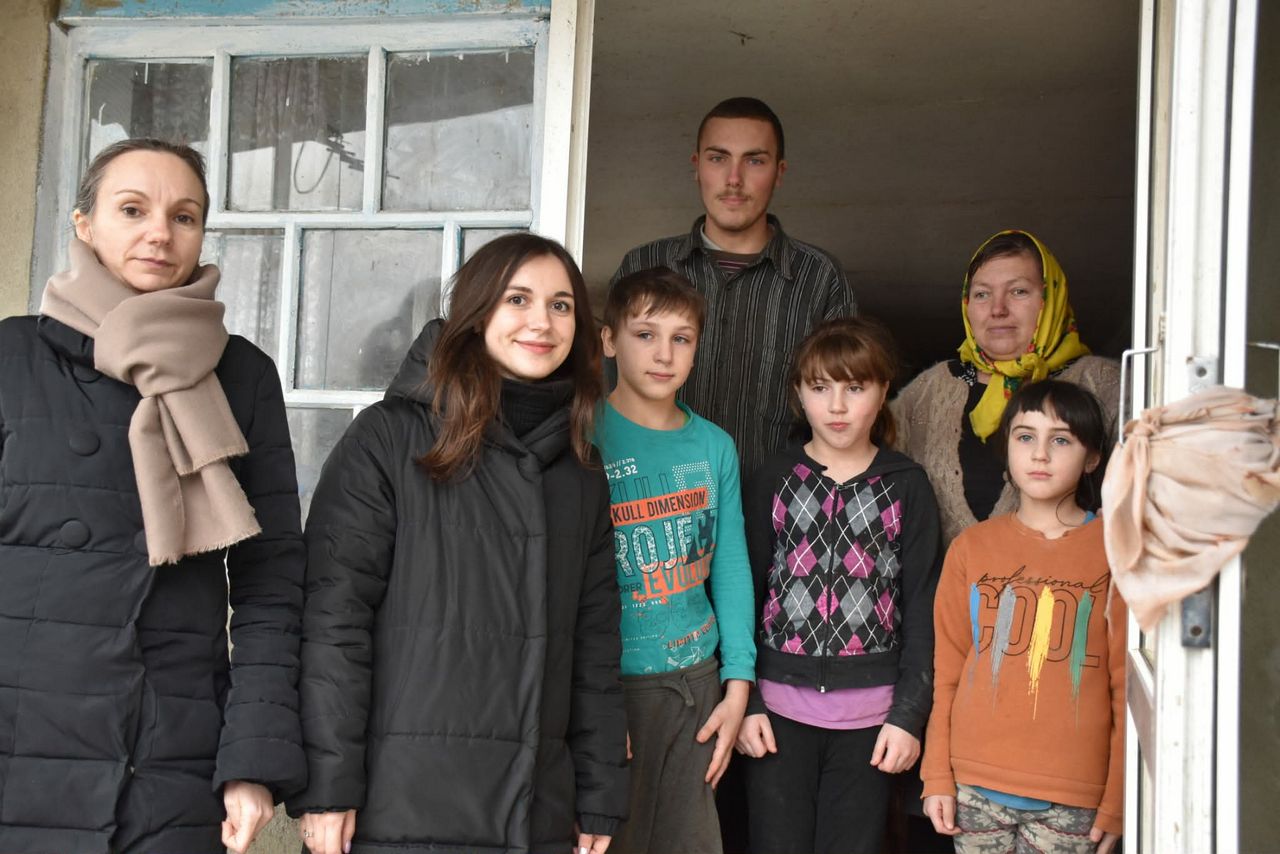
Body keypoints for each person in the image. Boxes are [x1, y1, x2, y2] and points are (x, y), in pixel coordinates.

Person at [0, 138, 306, 853]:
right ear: (84, 223)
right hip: (18, 733)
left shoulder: (241, 374)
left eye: (184, 216)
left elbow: (271, 580)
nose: (160, 234)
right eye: (133, 209)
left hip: (166, 747)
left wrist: (251, 760)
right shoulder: (12, 357)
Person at [288, 233, 629, 854]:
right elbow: (333, 622)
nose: (541, 322)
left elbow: (595, 646)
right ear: (476, 313)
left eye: (560, 306)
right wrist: (328, 786)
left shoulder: (582, 471)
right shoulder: (388, 439)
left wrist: (600, 794)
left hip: (539, 816)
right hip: (398, 811)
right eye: (517, 299)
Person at [735, 317, 943, 854]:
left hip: (872, 723)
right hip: (776, 716)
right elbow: (742, 597)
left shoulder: (906, 485)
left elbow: (923, 607)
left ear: (884, 390)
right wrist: (747, 702)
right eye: (820, 387)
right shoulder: (774, 479)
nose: (836, 406)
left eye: (855, 387)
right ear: (798, 393)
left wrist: (909, 716)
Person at [920, 379, 1125, 854]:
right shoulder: (972, 548)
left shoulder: (1114, 551)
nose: (1040, 454)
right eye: (1025, 436)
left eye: (1061, 440)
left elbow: (1125, 686)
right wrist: (937, 775)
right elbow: (946, 673)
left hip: (1074, 793)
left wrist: (1118, 798)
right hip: (974, 785)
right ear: (1007, 448)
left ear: (1092, 458)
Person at [593, 268, 756, 854]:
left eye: (681, 338)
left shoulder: (714, 446)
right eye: (645, 334)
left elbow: (730, 567)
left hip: (697, 685)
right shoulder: (583, 434)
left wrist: (738, 684)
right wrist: (591, 704)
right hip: (611, 685)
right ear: (609, 339)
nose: (664, 354)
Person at [610, 96, 856, 477]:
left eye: (754, 161)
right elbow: (605, 394)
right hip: (655, 500)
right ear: (697, 166)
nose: (734, 179)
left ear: (779, 172)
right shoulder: (642, 266)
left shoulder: (820, 279)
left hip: (780, 504)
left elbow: (847, 410)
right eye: (718, 158)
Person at [893, 229, 1120, 547]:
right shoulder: (929, 390)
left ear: (1049, 298)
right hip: (946, 581)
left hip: (1067, 577)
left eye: (1018, 291)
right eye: (982, 294)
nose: (997, 309)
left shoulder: (1102, 383)